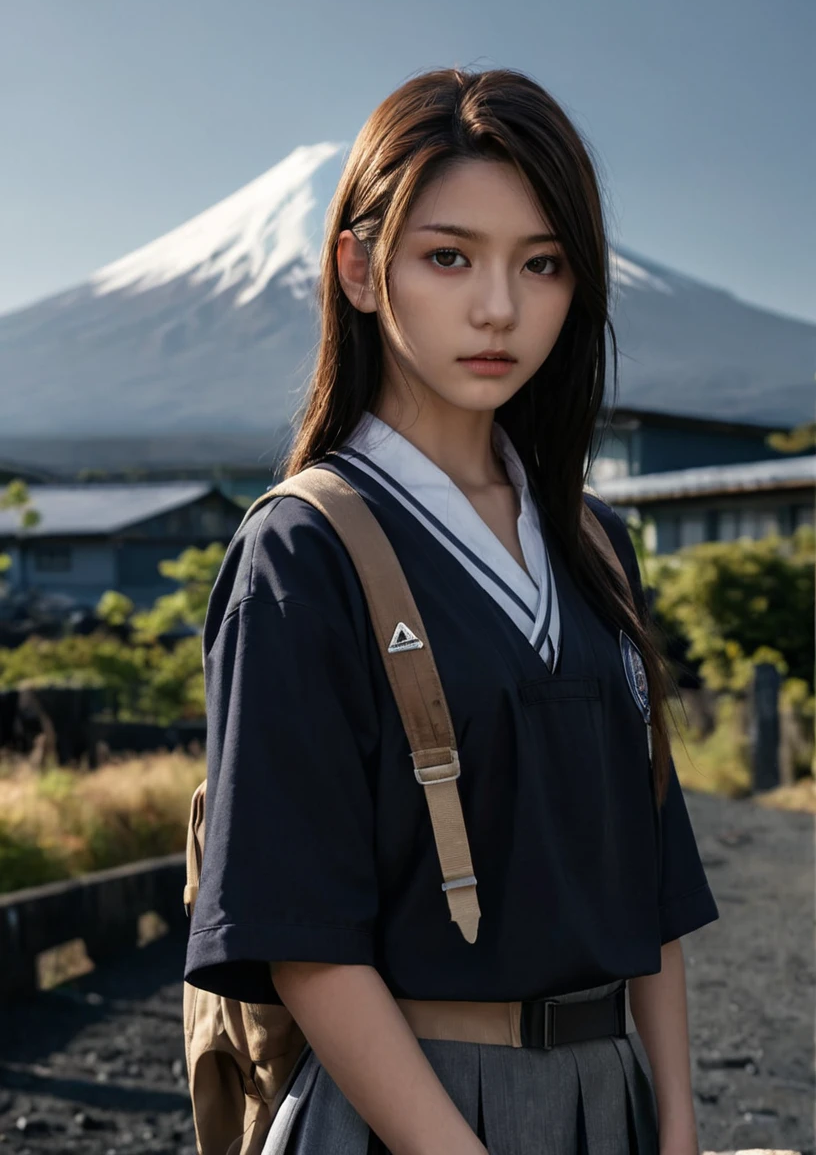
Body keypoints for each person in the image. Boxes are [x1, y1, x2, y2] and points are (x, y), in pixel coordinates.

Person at [183, 66, 719, 1155]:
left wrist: (676, 1124)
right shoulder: (301, 550)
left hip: (607, 1103)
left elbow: (650, 884)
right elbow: (305, 941)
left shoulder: (598, 549)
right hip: (404, 1116)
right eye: (448, 256)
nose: (499, 308)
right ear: (361, 270)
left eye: (544, 264)